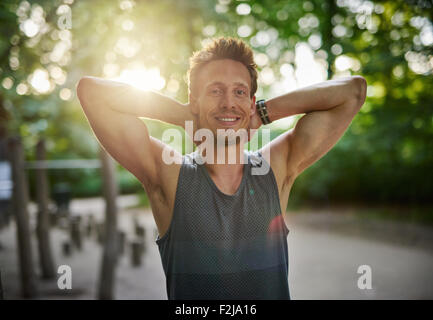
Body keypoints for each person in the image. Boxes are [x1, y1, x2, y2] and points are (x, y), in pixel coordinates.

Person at [77, 37, 366, 299]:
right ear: (195, 100)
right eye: (215, 91)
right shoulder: (169, 175)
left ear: (252, 101)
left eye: (239, 92)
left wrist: (261, 113)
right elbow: (91, 92)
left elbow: (353, 91)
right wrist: (185, 115)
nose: (228, 103)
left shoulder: (274, 169)